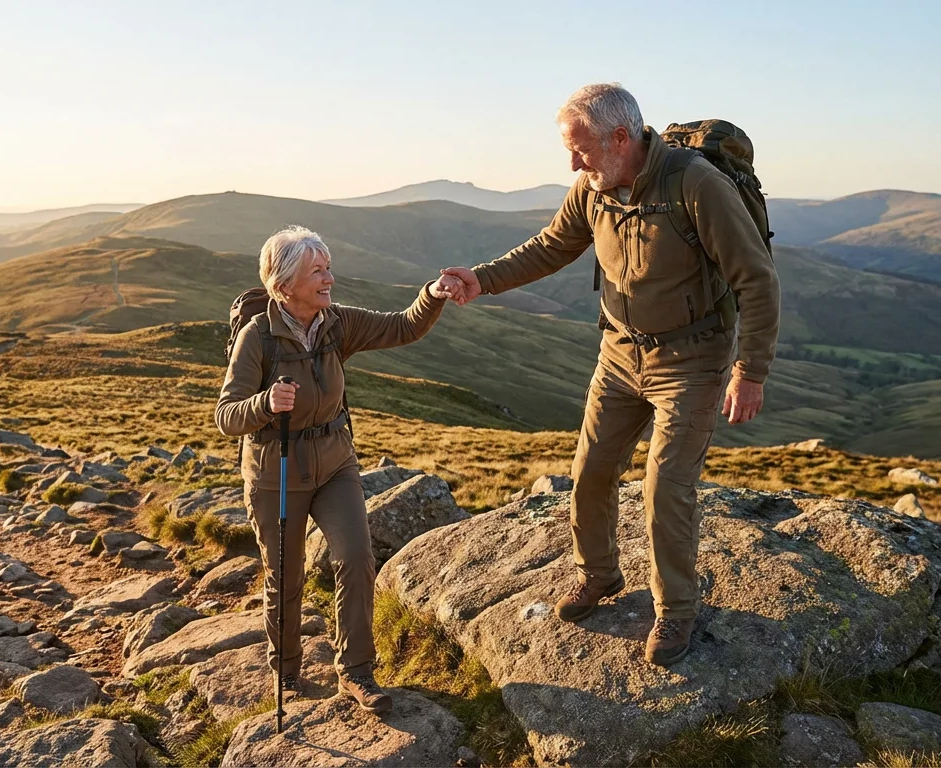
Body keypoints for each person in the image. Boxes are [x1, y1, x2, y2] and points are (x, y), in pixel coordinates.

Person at [440, 83, 781, 665]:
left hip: (692, 360)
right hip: (620, 355)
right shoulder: (592, 189)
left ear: (621, 138)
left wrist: (750, 370)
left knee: (665, 487)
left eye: (582, 150)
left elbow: (757, 279)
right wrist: (482, 277)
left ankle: (676, 612)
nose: (574, 163)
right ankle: (599, 574)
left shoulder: (696, 186)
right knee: (591, 471)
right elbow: (550, 247)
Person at [215, 225, 461, 711]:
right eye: (318, 271)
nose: (330, 277)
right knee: (284, 576)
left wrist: (432, 295)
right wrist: (265, 403)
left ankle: (356, 672)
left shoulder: (336, 322)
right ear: (285, 284)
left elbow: (402, 326)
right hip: (275, 472)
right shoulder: (256, 338)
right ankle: (285, 672)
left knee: (355, 557)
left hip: (335, 464)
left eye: (328, 267)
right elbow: (226, 416)